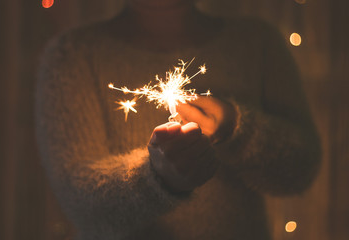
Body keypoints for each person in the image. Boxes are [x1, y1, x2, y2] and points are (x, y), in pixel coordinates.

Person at [35, 0, 321, 239]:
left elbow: (301, 167)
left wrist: (233, 127)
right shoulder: (72, 54)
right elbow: (79, 203)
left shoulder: (257, 42)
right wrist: (157, 178)